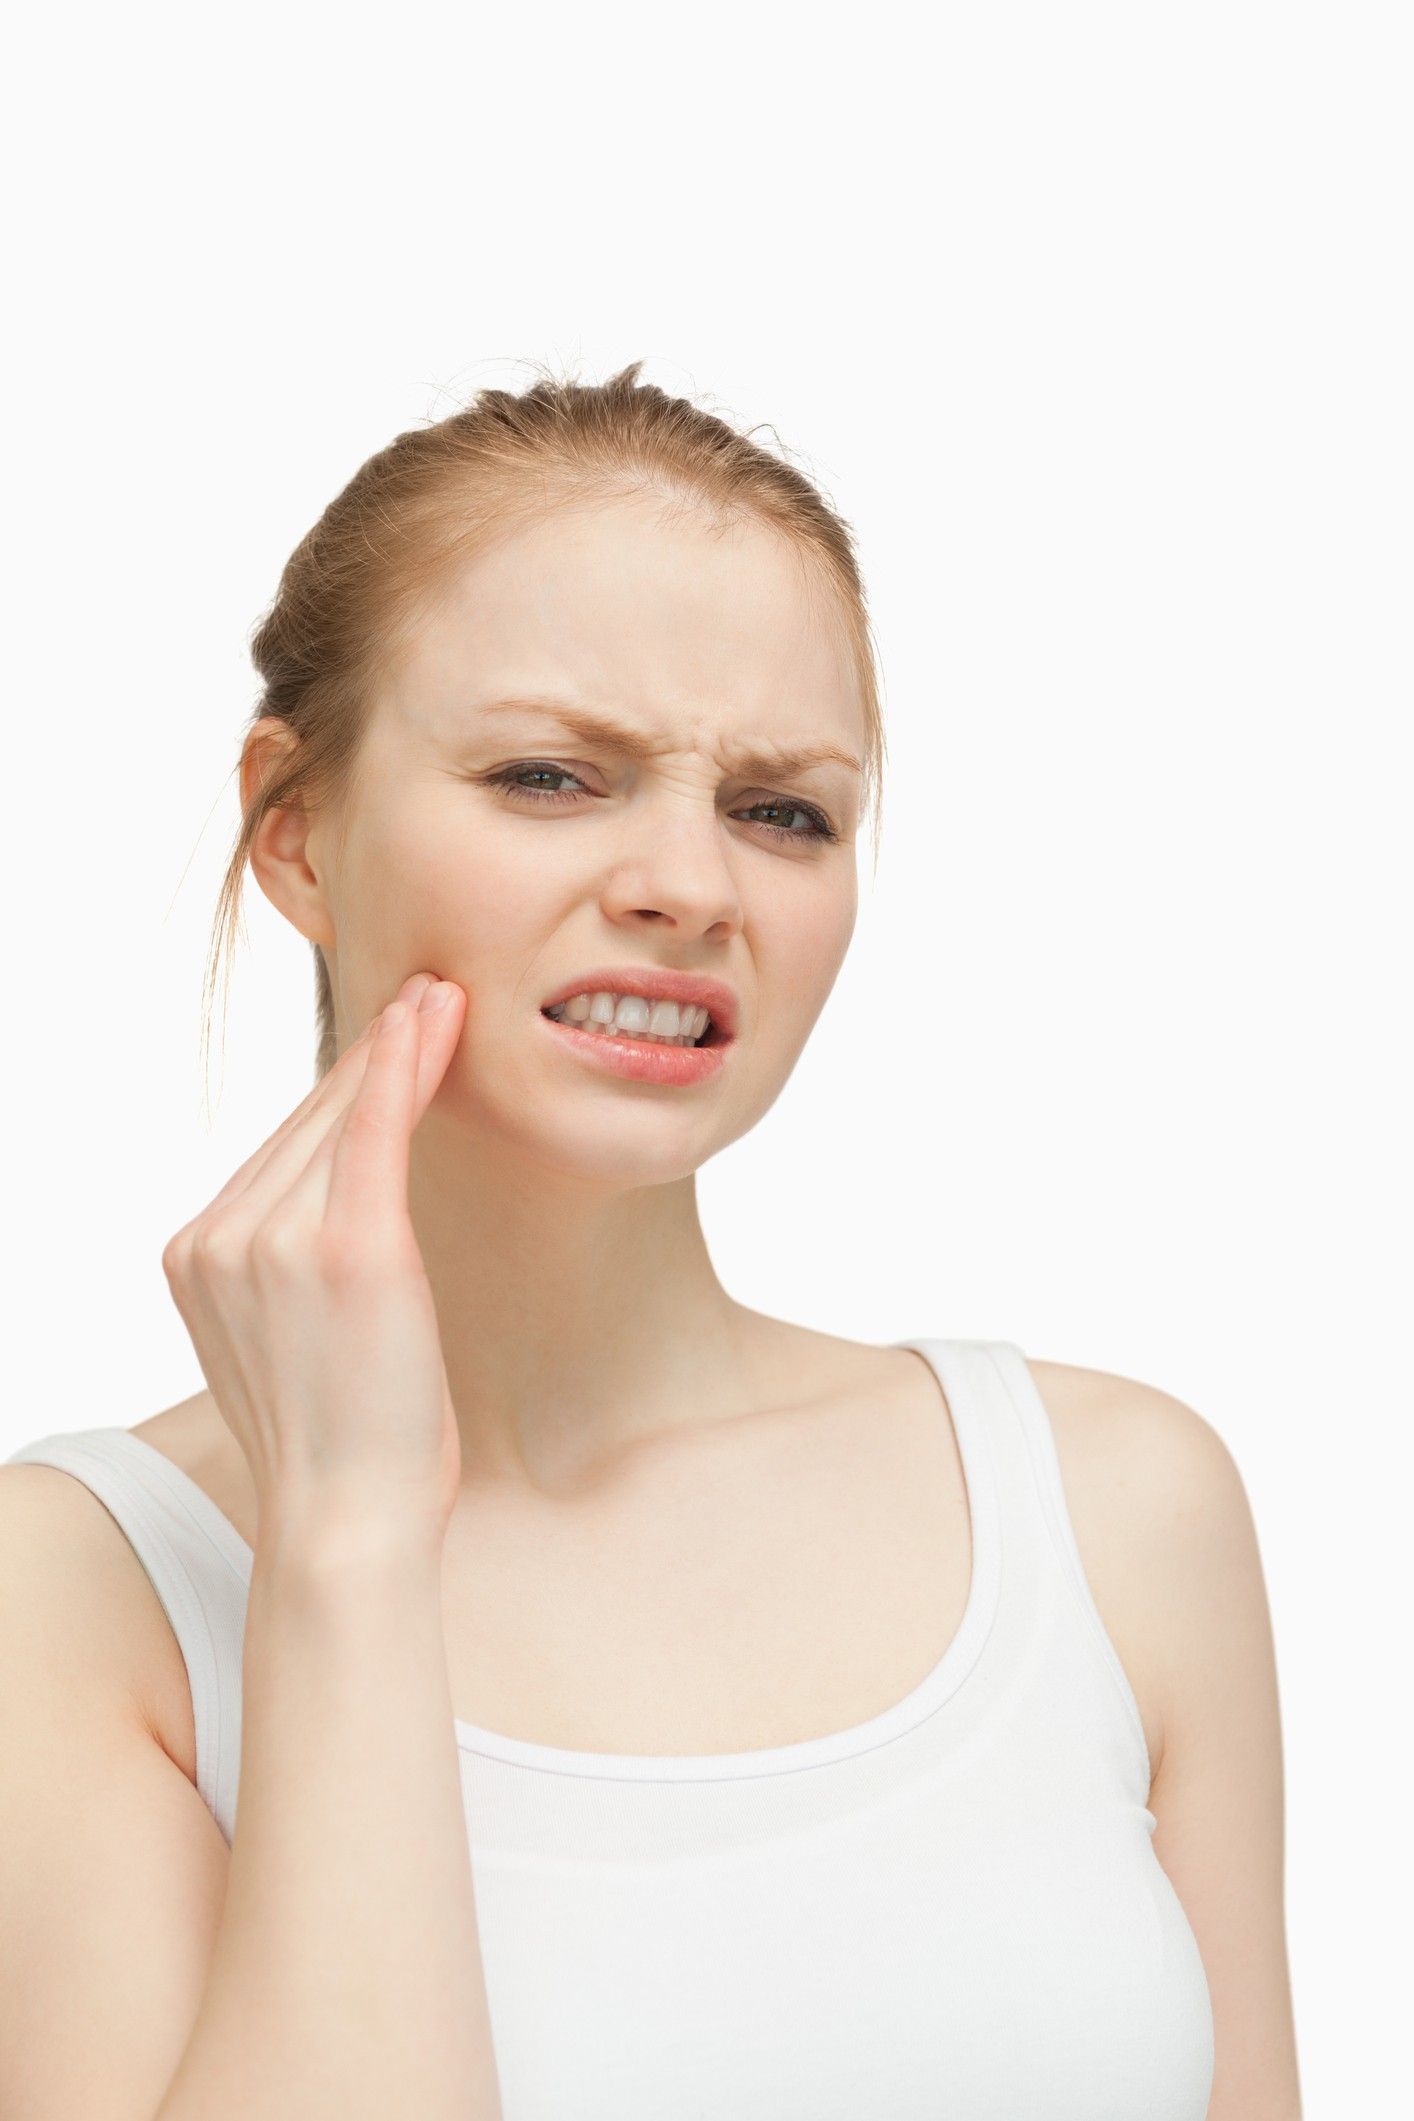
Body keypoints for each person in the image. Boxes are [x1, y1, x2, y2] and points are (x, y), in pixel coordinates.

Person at [0, 363, 1301, 2117]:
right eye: (550, 775)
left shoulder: (1116, 1507)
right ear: (295, 828)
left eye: (782, 811)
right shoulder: (71, 1598)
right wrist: (350, 1543)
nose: (690, 885)